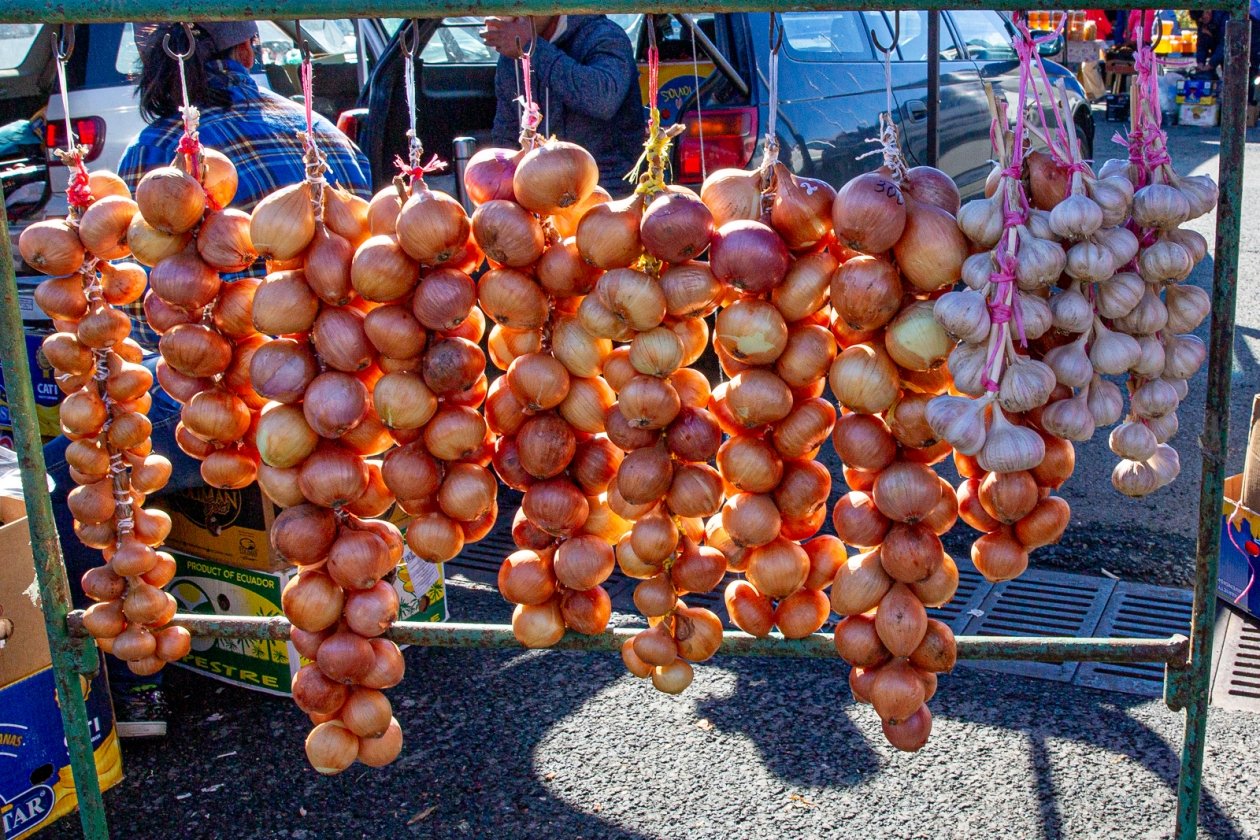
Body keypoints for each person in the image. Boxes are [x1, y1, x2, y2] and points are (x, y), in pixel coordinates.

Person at [44, 20, 371, 739]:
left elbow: (146, 291)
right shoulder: (326, 133)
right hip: (341, 390)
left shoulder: (162, 152)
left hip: (239, 393)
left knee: (67, 477)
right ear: (252, 51)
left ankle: (134, 695)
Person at [481, 15, 643, 195]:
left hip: (608, 190)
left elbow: (603, 100)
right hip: (540, 191)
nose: (511, 13)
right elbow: (507, 133)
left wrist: (532, 49)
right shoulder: (510, 58)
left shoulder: (604, 35)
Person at [1187, 10, 1229, 74]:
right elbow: (1201, 43)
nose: (1201, 21)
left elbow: (1225, 44)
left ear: (1207, 11)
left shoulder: (1225, 17)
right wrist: (1200, 62)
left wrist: (1211, 64)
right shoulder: (1203, 22)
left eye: (1202, 18)